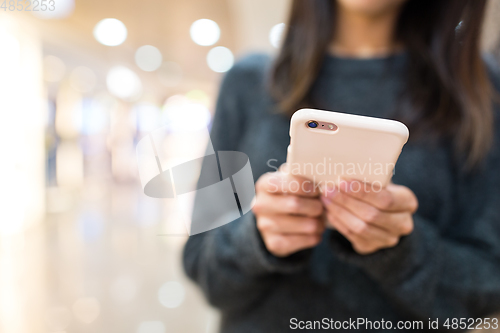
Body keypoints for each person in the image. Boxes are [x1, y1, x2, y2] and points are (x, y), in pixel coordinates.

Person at [183, 0, 500, 331]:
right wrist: (260, 237)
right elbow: (201, 268)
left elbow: (488, 291)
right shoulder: (246, 83)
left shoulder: (479, 91)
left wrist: (401, 251)